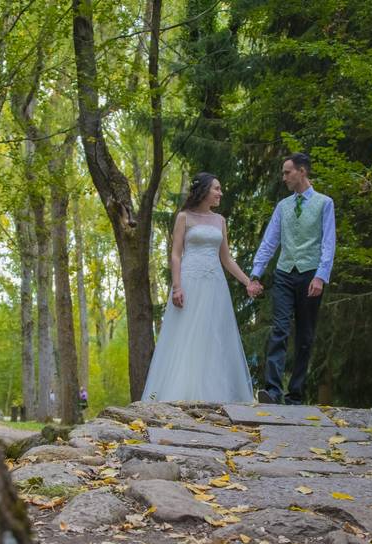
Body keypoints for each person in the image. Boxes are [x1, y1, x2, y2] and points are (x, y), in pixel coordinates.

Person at [142, 173, 257, 402]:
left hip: (215, 284)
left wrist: (247, 282)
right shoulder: (184, 217)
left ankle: (214, 394)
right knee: (186, 335)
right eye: (217, 188)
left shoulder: (220, 221)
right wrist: (177, 287)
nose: (220, 193)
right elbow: (175, 255)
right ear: (204, 190)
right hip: (189, 282)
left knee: (214, 336)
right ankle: (181, 393)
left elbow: (227, 259)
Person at [247, 153, 336, 405]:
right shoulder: (283, 206)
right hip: (285, 274)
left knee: (305, 336)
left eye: (287, 172)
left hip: (310, 275)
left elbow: (329, 243)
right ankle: (273, 391)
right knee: (280, 329)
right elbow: (270, 241)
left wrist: (321, 276)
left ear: (302, 172)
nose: (283, 177)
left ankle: (295, 394)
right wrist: (256, 272)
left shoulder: (324, 203)